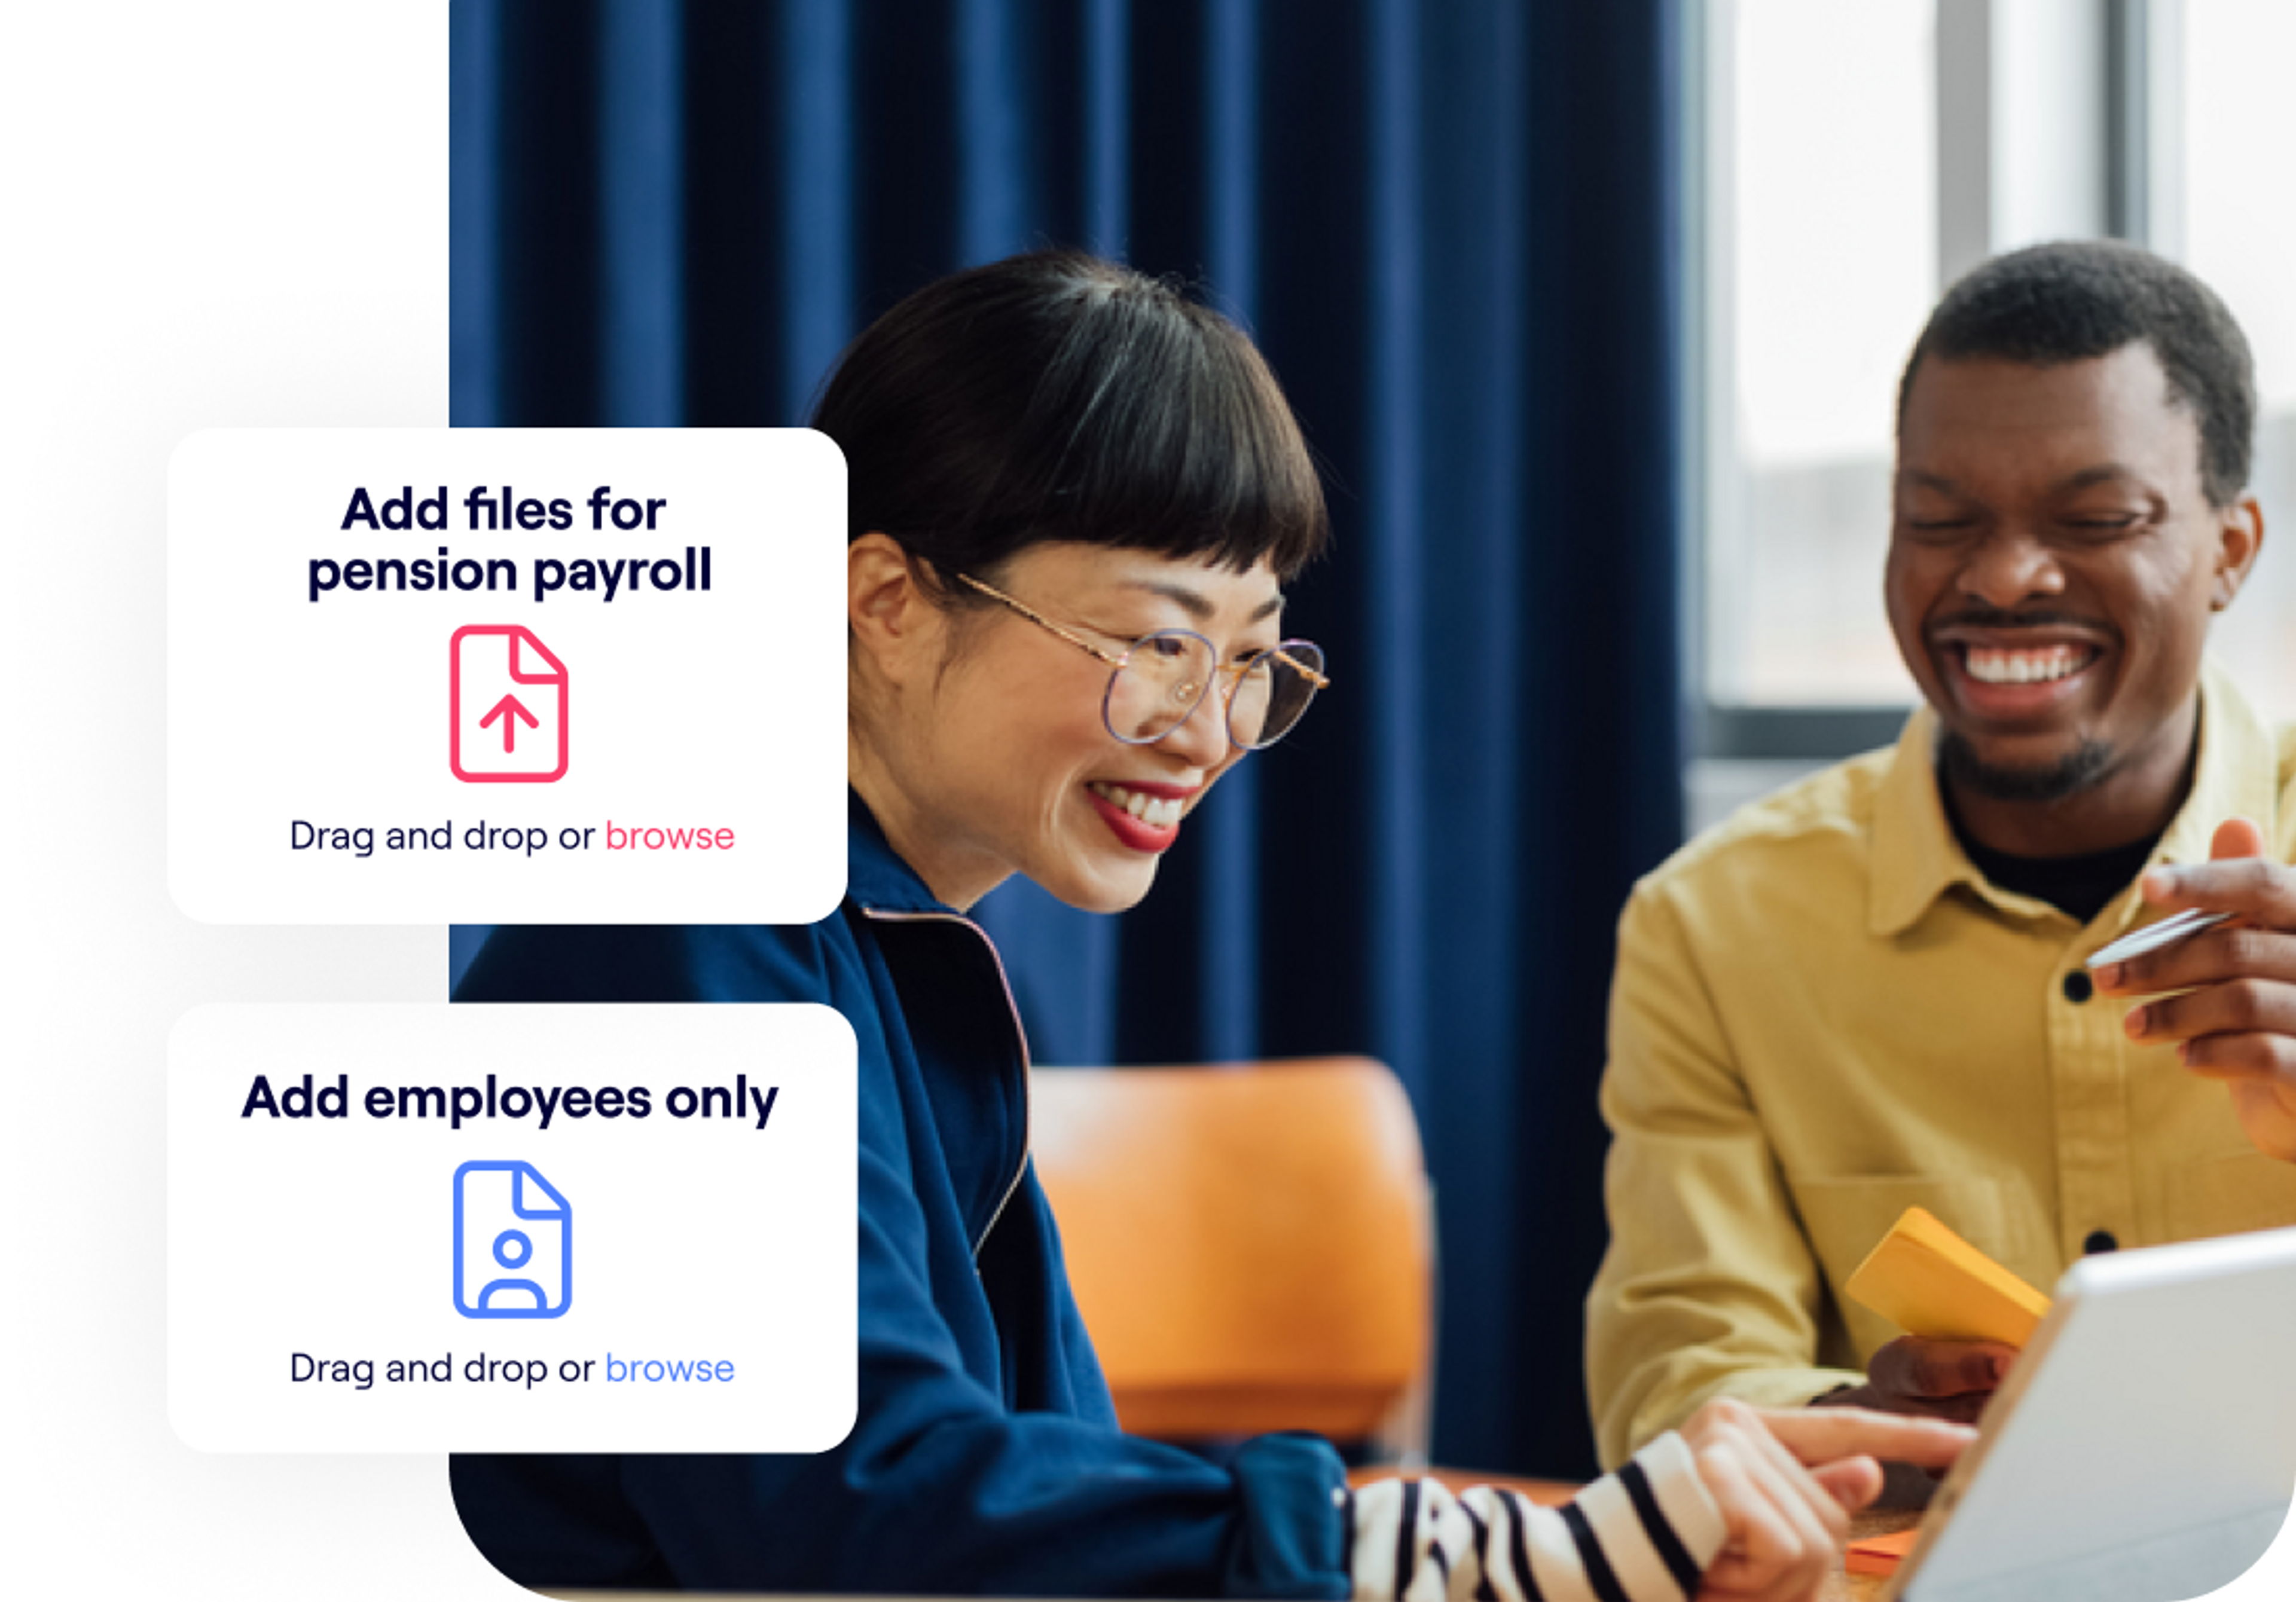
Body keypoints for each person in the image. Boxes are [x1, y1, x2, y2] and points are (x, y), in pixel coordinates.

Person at [450, 250, 1966, 1598]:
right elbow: (854, 1501)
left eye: (1252, 662)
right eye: (1160, 641)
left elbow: (1039, 1485)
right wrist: (1463, 1553)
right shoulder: (663, 941)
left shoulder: (888, 948)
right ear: (888, 601)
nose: (1209, 729)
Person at [1587, 240, 2296, 1476]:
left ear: (2232, 548)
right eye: (1939, 519)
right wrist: (1867, 1417)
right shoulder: (1715, 925)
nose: (2005, 575)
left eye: (2094, 519)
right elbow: (1677, 1383)